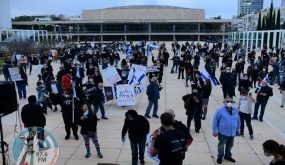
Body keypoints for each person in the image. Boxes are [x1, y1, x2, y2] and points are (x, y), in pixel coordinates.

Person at [212, 97, 240, 164]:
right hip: (223, 132)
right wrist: (214, 130)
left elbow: (238, 120)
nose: (229, 103)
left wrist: (238, 129)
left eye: (230, 101)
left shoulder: (235, 110)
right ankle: (220, 156)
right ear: (224, 102)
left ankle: (227, 156)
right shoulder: (220, 110)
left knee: (230, 145)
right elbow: (215, 121)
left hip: (232, 132)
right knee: (221, 145)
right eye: (227, 101)